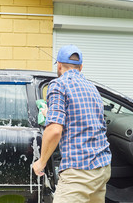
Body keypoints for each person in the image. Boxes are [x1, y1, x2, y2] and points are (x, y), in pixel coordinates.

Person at [33, 44, 112, 203]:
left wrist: (41, 162)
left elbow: (55, 130)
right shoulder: (92, 88)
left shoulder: (58, 85)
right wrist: (51, 114)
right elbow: (84, 117)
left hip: (79, 172)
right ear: (80, 67)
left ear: (59, 65)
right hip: (102, 168)